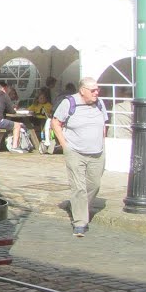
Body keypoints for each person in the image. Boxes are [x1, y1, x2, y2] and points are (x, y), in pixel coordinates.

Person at [51, 77, 108, 237]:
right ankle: (80, 222)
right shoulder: (69, 103)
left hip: (97, 151)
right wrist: (65, 145)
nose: (97, 92)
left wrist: (102, 141)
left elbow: (104, 123)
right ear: (82, 91)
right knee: (79, 187)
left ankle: (76, 205)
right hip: (75, 151)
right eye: (93, 90)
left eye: (98, 89)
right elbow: (55, 122)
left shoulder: (100, 103)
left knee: (94, 184)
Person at [28, 87, 54, 154]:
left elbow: (51, 112)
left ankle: (43, 137)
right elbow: (29, 110)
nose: (42, 100)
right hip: (36, 118)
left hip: (43, 119)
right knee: (29, 120)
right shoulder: (35, 105)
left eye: (44, 98)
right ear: (38, 99)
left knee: (43, 122)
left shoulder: (48, 105)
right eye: (40, 98)